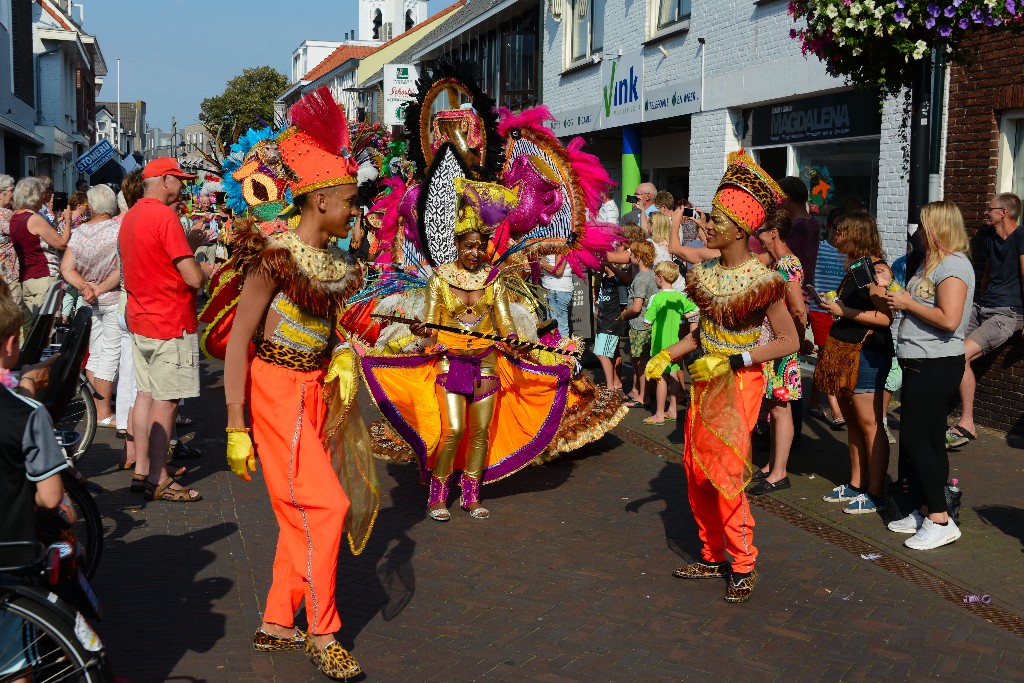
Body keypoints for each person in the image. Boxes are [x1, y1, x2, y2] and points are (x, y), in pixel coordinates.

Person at [219, 89, 377, 679]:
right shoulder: (274, 259)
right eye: (348, 203)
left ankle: (276, 622)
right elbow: (238, 341)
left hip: (314, 392)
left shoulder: (332, 266)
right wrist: (236, 423)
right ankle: (323, 630)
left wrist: (339, 353)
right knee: (328, 505)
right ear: (318, 201)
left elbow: (331, 328)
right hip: (276, 392)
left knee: (298, 512)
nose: (354, 213)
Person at [645, 151, 798, 603]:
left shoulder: (764, 278)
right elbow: (700, 335)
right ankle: (712, 554)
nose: (706, 225)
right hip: (705, 380)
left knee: (727, 474)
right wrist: (668, 354)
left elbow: (788, 341)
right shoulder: (706, 272)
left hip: (740, 382)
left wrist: (736, 361)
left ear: (738, 227)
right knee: (695, 471)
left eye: (714, 219)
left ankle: (743, 562)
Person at [119, 158, 209, 502]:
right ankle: (158, 476)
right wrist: (205, 269)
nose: (184, 187)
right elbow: (192, 277)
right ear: (166, 180)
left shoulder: (132, 216)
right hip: (169, 319)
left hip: (141, 317)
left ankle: (143, 467)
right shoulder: (163, 215)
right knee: (167, 400)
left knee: (144, 394)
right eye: (180, 180)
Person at [885, 200, 974, 550]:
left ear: (936, 228)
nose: (916, 232)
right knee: (932, 438)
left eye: (922, 226)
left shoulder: (953, 266)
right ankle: (927, 508)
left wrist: (907, 304)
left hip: (936, 363)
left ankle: (940, 517)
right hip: (922, 361)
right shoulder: (932, 263)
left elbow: (950, 320)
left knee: (915, 439)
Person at [0, 280, 66, 683]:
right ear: (10, 344)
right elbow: (50, 495)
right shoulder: (25, 413)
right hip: (9, 557)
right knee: (15, 665)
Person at [818, 211, 894, 515]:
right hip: (847, 351)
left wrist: (844, 311)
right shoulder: (855, 268)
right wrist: (838, 308)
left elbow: (885, 317)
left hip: (867, 354)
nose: (834, 236)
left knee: (870, 424)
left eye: (838, 230)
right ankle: (856, 483)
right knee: (852, 422)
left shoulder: (875, 270)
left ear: (853, 234)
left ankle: (876, 492)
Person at [946, 192, 1024, 448]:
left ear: (1004, 212)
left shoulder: (1021, 237)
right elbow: (988, 273)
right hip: (983, 306)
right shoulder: (990, 238)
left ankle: (967, 422)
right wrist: (979, 300)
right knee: (946, 346)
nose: (985, 213)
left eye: (989, 209)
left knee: (960, 355)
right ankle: (935, 410)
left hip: (1007, 313)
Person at [747, 208, 807, 495]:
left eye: (762, 230)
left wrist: (798, 339)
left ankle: (780, 472)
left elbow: (797, 308)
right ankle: (773, 465)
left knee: (781, 410)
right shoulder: (777, 263)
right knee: (774, 407)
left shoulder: (787, 264)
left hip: (781, 346)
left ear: (774, 233)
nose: (758, 235)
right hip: (773, 344)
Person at [60, 184, 122, 429]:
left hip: (90, 300)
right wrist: (99, 287)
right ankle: (104, 411)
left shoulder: (80, 232)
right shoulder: (118, 229)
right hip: (112, 298)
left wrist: (85, 286)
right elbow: (122, 268)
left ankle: (96, 408)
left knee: (95, 354)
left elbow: (67, 269)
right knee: (109, 355)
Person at [9, 178, 71, 326]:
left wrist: (55, 222)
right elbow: (61, 243)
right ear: (34, 196)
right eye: (42, 195)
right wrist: (68, 220)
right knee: (46, 329)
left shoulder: (15, 218)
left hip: (27, 277)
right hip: (44, 274)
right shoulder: (34, 218)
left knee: (32, 329)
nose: (44, 199)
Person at [642, 261, 697, 425]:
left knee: (661, 378)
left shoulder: (656, 298)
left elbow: (647, 321)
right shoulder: (680, 296)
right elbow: (694, 310)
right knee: (673, 374)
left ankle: (659, 414)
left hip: (660, 343)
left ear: (660, 278)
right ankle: (672, 409)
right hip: (676, 343)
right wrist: (681, 316)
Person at [807, 209, 848, 430]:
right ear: (829, 227)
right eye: (839, 230)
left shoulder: (850, 254)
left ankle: (814, 401)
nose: (842, 236)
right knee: (827, 356)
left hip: (840, 312)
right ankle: (836, 409)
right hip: (819, 310)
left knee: (827, 358)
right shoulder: (818, 249)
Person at [620, 240, 658, 408]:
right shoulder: (652, 274)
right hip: (648, 323)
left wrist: (624, 314)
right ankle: (640, 391)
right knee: (640, 360)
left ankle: (643, 396)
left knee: (640, 362)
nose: (630, 257)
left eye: (632, 254)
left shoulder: (641, 278)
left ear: (639, 256)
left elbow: (636, 307)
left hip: (639, 324)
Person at [778, 176, 820, 293]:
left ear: (787, 197)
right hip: (802, 287)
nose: (777, 202)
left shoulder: (799, 226)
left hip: (794, 289)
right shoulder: (813, 222)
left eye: (778, 197)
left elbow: (787, 259)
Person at [593, 262, 626, 391]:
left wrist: (619, 320)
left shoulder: (618, 279)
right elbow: (603, 298)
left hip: (611, 322)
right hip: (603, 319)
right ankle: (616, 382)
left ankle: (610, 386)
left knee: (602, 353)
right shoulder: (604, 278)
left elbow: (623, 303)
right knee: (613, 353)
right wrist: (599, 310)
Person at [540, 253, 573, 338]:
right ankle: (558, 349)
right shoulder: (553, 246)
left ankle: (564, 350)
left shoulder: (561, 247)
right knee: (553, 328)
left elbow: (558, 271)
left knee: (559, 328)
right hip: (554, 290)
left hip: (558, 291)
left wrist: (541, 264)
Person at [0, 174, 17, 302]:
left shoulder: (9, 213)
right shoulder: (4, 214)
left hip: (9, 273)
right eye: (11, 190)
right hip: (6, 274)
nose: (14, 194)